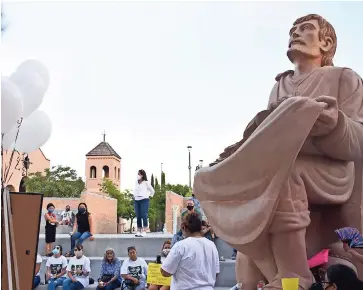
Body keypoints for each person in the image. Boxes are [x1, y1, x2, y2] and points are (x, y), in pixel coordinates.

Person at [194, 13, 363, 290]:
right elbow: (269, 138)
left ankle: (295, 277)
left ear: (326, 42)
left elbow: (359, 140)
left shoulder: (344, 78)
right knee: (246, 193)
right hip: (283, 164)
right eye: (292, 29)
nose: (295, 33)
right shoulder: (279, 87)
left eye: (305, 28)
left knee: (285, 177)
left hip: (333, 171)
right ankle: (263, 274)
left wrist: (334, 123)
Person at [161, 213, 220, 289]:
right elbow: (216, 272)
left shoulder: (181, 245)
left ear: (184, 227)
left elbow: (165, 272)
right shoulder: (212, 245)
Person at [133, 169, 154, 237]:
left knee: (144, 215)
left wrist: (149, 195)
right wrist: (134, 195)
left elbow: (152, 190)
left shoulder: (146, 182)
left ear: (142, 175)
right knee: (138, 215)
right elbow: (135, 190)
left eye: (139, 174)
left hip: (144, 200)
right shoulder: (136, 182)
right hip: (137, 200)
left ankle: (144, 230)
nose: (138, 175)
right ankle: (139, 230)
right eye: (138, 174)